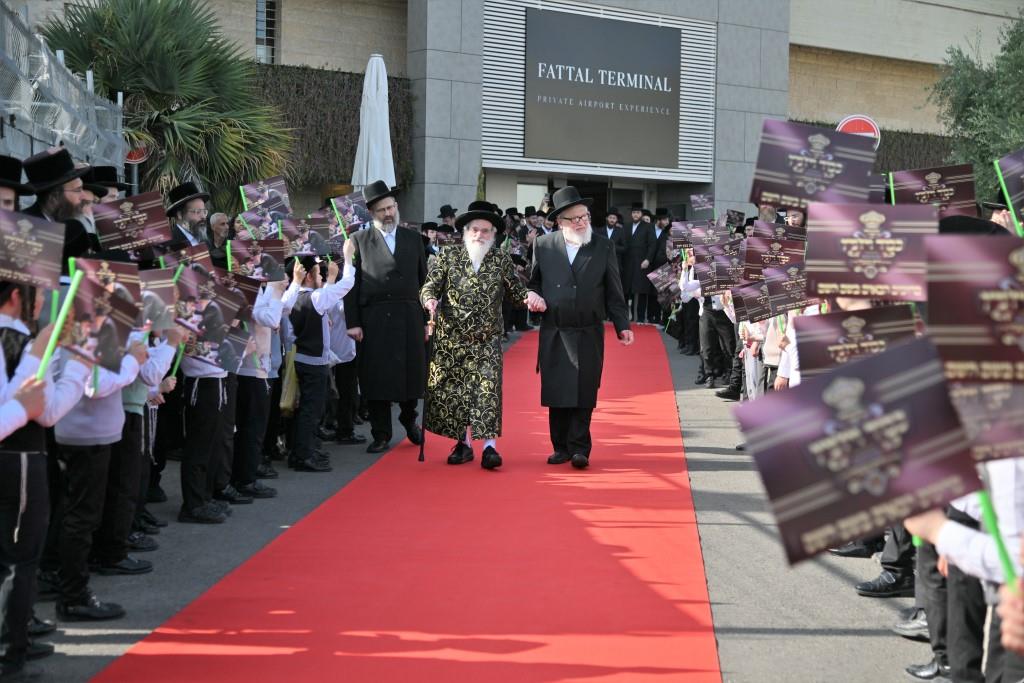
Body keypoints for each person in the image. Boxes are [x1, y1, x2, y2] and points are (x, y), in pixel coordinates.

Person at [526, 186, 632, 470]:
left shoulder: (602, 246)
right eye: (574, 219)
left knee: (585, 389)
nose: (582, 222)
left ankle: (580, 448)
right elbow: (533, 282)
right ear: (560, 221)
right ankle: (559, 447)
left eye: (584, 216)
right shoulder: (544, 245)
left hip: (588, 330)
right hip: (555, 330)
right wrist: (532, 295)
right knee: (557, 390)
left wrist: (622, 324)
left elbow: (614, 290)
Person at [420, 202, 530, 469]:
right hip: (452, 339)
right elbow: (428, 287)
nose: (479, 235)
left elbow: (516, 293)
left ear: (493, 235)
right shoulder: (448, 256)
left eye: (485, 231)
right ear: (465, 232)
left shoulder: (500, 260)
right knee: (457, 393)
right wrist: (430, 300)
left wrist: (532, 298)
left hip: (487, 339)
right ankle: (464, 444)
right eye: (475, 230)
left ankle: (490, 448)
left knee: (487, 390)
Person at [344, 181, 427, 454]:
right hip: (374, 319)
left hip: (409, 317)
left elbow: (424, 280)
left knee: (410, 374)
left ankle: (409, 418)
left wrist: (429, 318)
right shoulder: (358, 241)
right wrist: (353, 322)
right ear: (371, 212)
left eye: (391, 207)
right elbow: (351, 286)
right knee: (376, 377)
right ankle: (380, 433)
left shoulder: (414, 239)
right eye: (382, 210)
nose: (388, 213)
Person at [283, 246, 355, 470]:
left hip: (305, 359)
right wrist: (348, 260)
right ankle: (303, 456)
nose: (322, 275)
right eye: (318, 272)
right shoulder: (313, 297)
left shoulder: (295, 296)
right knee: (310, 411)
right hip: (313, 361)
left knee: (308, 410)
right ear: (306, 276)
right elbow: (346, 286)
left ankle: (303, 451)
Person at [622, 202, 654, 323]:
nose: (636, 215)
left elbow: (652, 245)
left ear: (641, 214)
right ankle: (625, 317)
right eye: (634, 212)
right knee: (626, 290)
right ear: (631, 214)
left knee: (640, 291)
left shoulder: (648, 226)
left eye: (638, 212)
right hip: (628, 263)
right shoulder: (626, 226)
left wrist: (648, 259)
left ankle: (640, 318)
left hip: (642, 263)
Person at [164, 181, 210, 249]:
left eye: (204, 212)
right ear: (179, 215)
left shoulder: (205, 240)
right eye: (197, 212)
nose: (203, 217)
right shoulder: (169, 246)